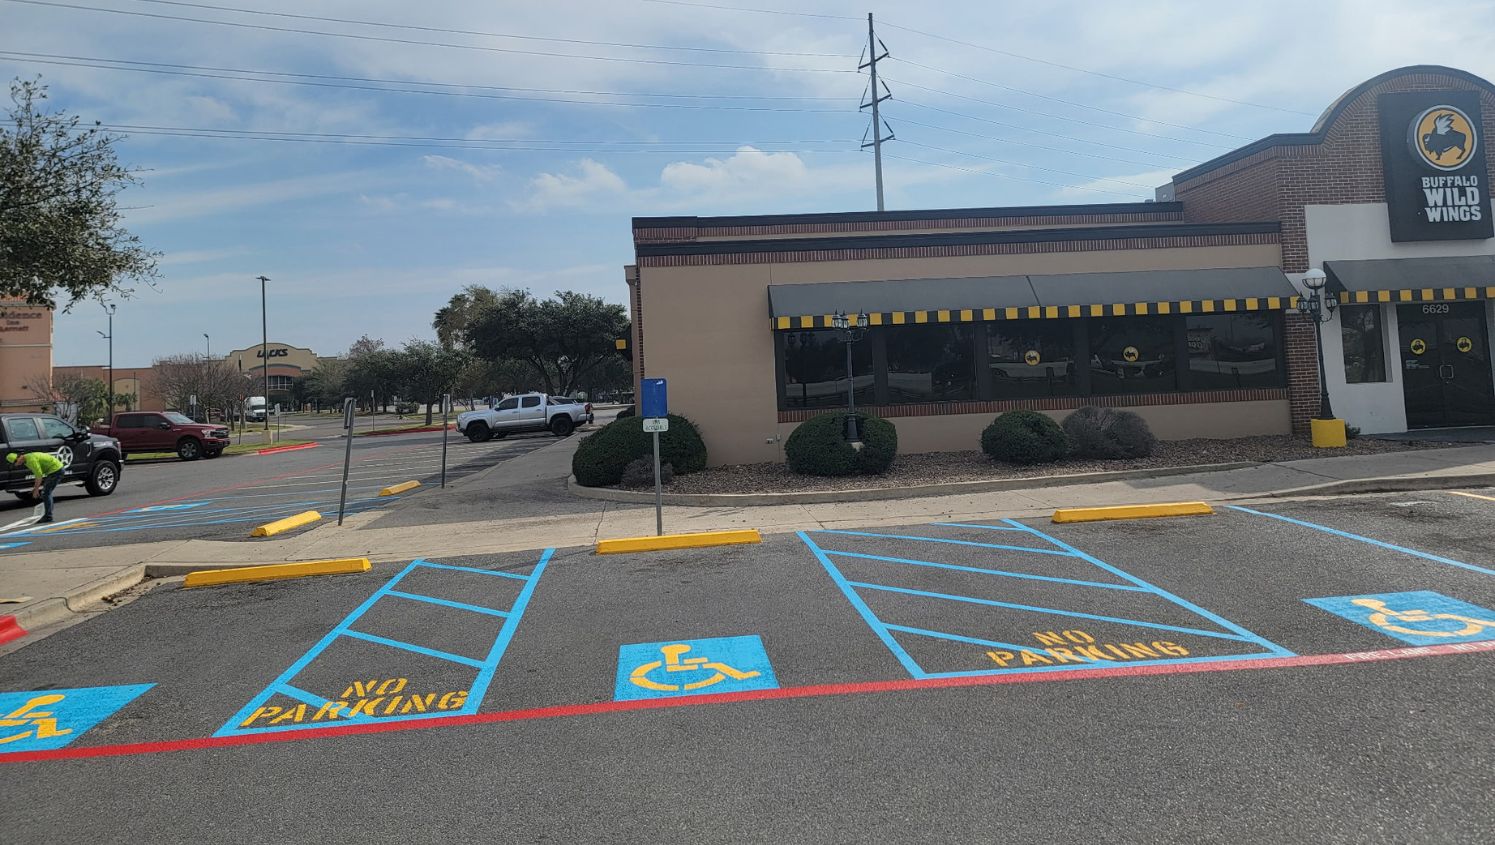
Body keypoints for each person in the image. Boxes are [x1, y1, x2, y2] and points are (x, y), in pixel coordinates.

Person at [7, 451, 65, 524]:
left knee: (46, 493)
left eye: (15, 463)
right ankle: (48, 514)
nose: (16, 465)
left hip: (56, 471)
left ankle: (48, 517)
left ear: (18, 458)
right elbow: (38, 474)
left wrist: (36, 489)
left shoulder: (31, 460)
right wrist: (35, 488)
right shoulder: (26, 459)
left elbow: (39, 476)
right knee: (46, 493)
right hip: (54, 470)